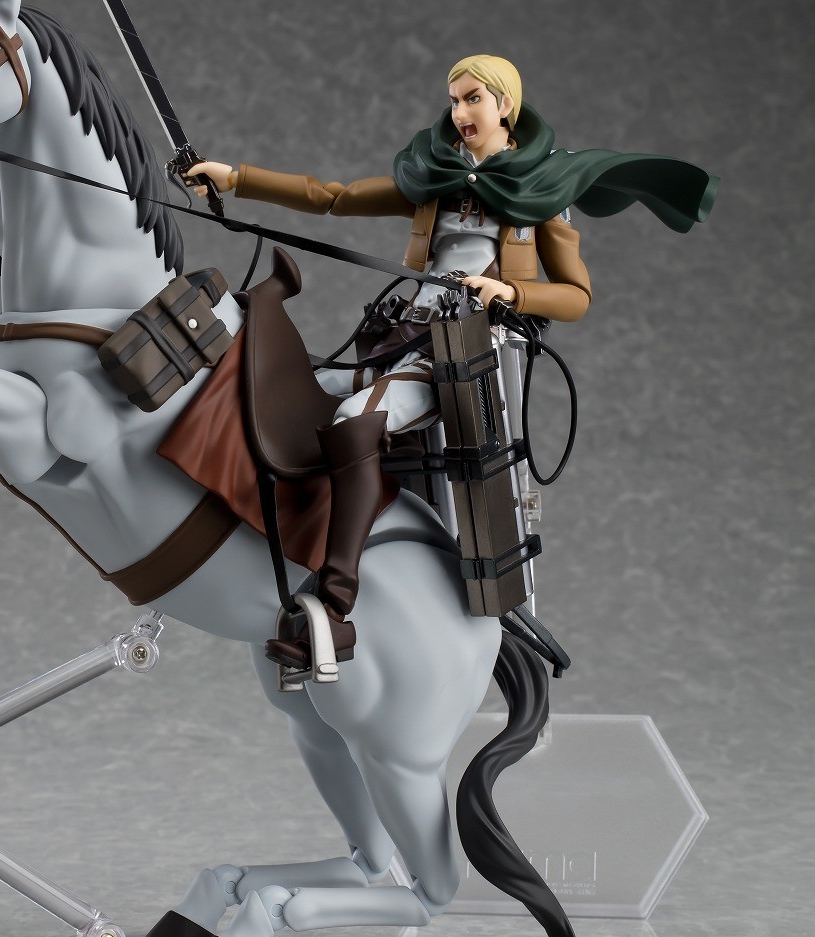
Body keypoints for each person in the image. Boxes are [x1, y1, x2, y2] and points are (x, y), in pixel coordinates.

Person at [185, 54, 716, 672]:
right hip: (401, 338)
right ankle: (262, 538)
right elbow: (333, 198)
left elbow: (577, 296)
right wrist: (235, 178)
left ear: (506, 105)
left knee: (355, 420)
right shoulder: (434, 181)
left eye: (473, 99)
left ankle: (335, 607)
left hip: (459, 360)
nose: (460, 112)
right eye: (454, 99)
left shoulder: (540, 193)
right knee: (298, 388)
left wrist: (510, 292)